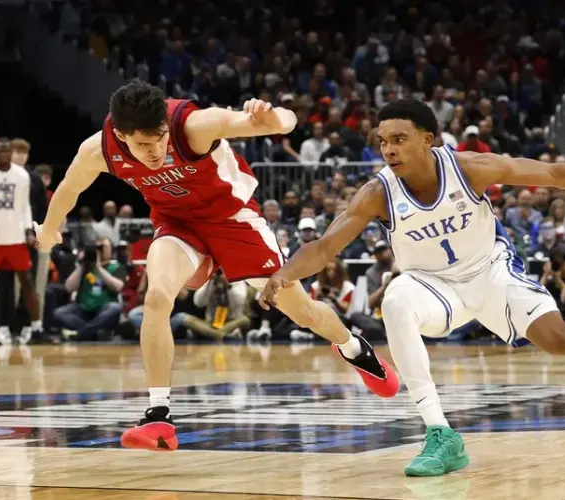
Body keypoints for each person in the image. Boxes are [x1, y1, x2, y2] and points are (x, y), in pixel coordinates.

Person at [259, 99, 565, 477]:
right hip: (433, 287)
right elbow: (327, 244)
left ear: (428, 139)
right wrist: (286, 273)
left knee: (559, 342)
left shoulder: (470, 168)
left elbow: (555, 173)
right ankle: (440, 434)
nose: (388, 149)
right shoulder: (377, 192)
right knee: (395, 299)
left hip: (491, 272)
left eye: (399, 138)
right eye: (382, 140)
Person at [33, 80, 398, 452]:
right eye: (144, 145)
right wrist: (48, 229)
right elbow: (69, 188)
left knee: (302, 312)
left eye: (160, 138)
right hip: (176, 223)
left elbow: (284, 123)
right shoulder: (98, 150)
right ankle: (159, 416)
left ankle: (353, 347)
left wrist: (270, 114)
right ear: (122, 136)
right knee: (157, 297)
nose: (157, 150)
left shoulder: (193, 126)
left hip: (232, 219)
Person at [0, 138, 42, 345]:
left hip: (16, 239)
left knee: (27, 282)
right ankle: (1, 328)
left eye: (7, 152)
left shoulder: (22, 176)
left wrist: (29, 231)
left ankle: (35, 325)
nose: (4, 155)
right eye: (1, 152)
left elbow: (25, 207)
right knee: (1, 286)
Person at [53, 238, 125, 340]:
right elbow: (68, 288)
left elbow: (118, 287)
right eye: (98, 247)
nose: (101, 250)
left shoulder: (116, 267)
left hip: (104, 309)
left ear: (111, 250)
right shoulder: (84, 268)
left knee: (114, 308)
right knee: (59, 313)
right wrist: (82, 265)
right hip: (83, 309)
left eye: (104, 247)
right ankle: (92, 331)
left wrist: (98, 268)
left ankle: (83, 333)